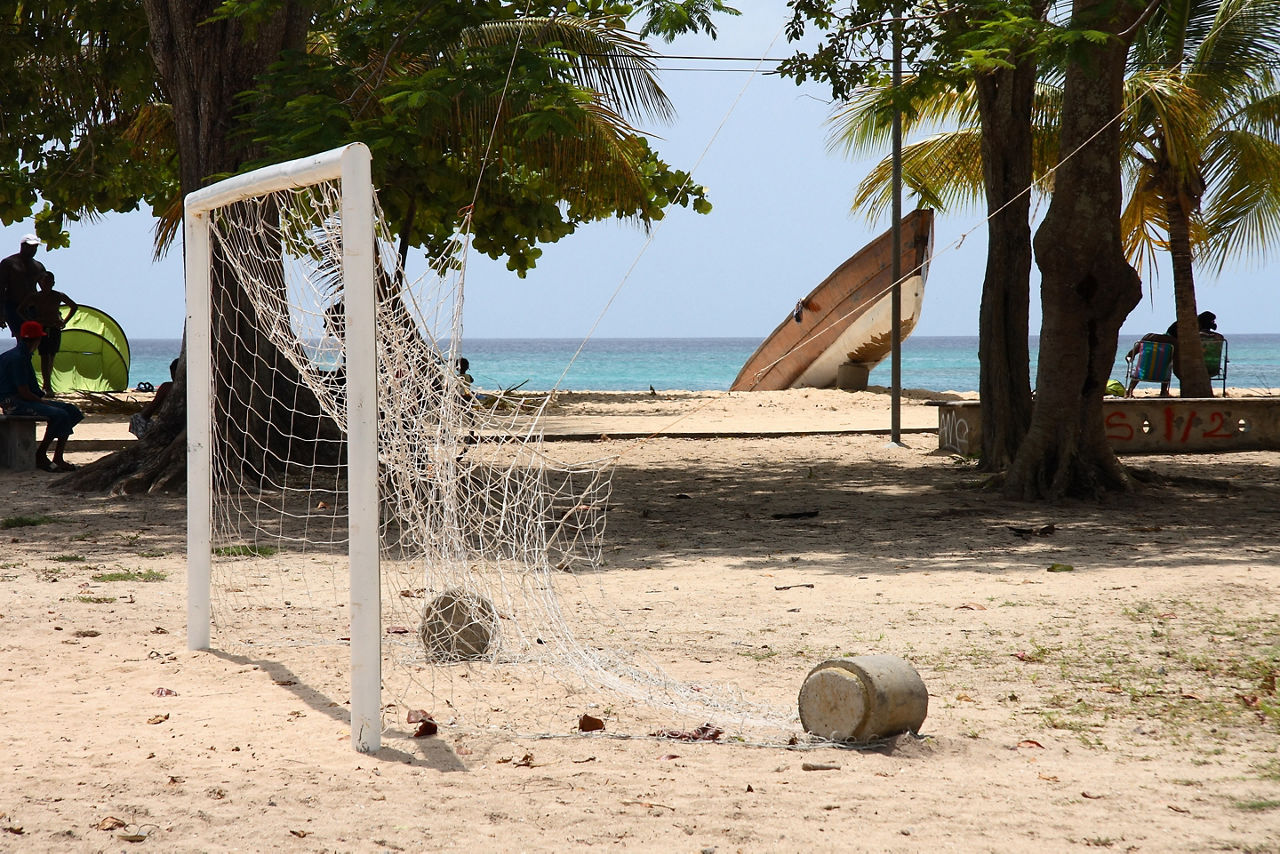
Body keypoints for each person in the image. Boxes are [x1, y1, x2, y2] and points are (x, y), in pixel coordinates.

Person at [0, 321, 84, 471]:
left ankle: (53, 456)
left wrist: (43, 402)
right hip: (13, 403)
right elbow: (23, 391)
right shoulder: (18, 358)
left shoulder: (22, 355)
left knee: (72, 411)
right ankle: (44, 454)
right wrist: (44, 403)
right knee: (60, 414)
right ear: (37, 340)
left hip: (22, 399)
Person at [20, 270, 78, 395]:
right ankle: (47, 386)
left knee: (51, 356)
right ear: (40, 283)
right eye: (43, 282)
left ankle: (47, 384)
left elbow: (74, 306)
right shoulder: (34, 296)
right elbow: (20, 310)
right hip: (42, 328)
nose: (46, 284)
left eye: (49, 282)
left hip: (55, 327)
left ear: (53, 283)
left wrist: (64, 321)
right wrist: (32, 322)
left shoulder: (58, 295)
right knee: (44, 356)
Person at [0, 235, 46, 337]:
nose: (33, 250)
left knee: (35, 337)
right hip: (13, 306)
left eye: (35, 247)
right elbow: (1, 288)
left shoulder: (38, 266)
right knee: (20, 336)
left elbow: (46, 290)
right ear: (23, 246)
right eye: (31, 247)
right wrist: (1, 313)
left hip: (32, 307)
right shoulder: (9, 263)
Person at [129, 359, 177, 439]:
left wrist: (145, 409)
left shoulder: (167, 387)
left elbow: (149, 412)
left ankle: (147, 442)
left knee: (136, 418)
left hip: (168, 428)